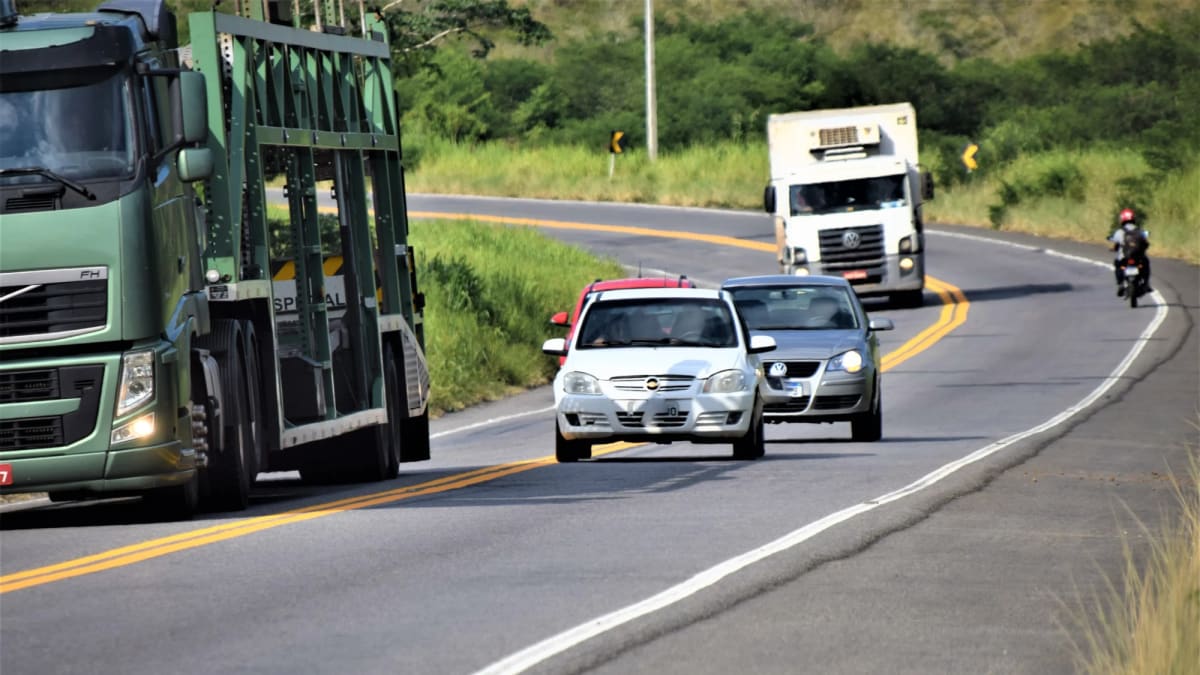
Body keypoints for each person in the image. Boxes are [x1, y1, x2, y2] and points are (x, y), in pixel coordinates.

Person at [1108, 208, 1151, 296]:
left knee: (1117, 264)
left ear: (1122, 219)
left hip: (1124, 258)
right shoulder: (1140, 231)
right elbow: (1146, 241)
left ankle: (1120, 284)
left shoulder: (1119, 232)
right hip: (1139, 258)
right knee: (1146, 263)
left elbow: (1113, 240)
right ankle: (1146, 284)